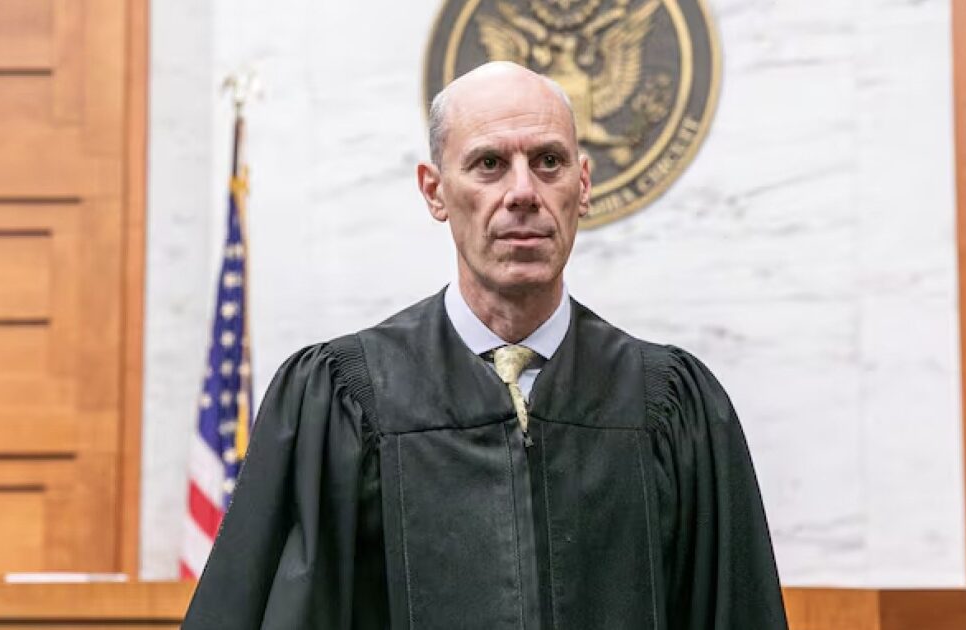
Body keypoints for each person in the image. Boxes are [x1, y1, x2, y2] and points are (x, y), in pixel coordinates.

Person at [183, 61, 788, 629]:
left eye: (548, 161)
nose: (523, 192)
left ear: (582, 185)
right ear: (434, 191)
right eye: (489, 164)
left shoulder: (670, 408)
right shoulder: (344, 401)